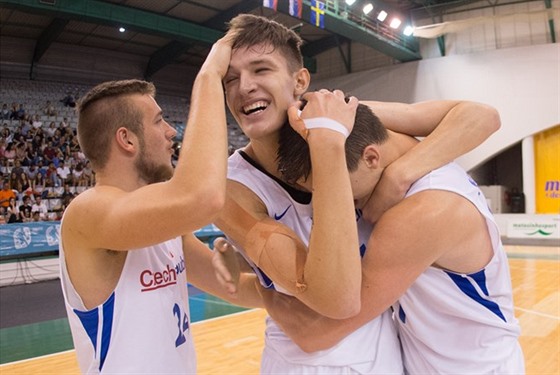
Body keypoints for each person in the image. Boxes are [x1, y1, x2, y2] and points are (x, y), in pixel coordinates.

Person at [212, 14, 501, 374]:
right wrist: (251, 275)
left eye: (261, 70)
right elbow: (324, 306)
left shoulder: (346, 119)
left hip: (396, 357)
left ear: (300, 80)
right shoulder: (232, 187)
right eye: (230, 80)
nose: (245, 87)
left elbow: (481, 115)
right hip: (308, 363)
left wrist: (398, 175)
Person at [264, 102, 525, 374]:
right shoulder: (424, 157)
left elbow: (316, 333)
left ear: (372, 158)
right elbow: (478, 114)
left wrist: (263, 283)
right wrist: (341, 109)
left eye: (336, 189)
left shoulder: (418, 216)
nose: (328, 203)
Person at [58, 30, 261, 374]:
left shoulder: (164, 228)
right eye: (158, 121)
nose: (171, 131)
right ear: (126, 139)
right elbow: (203, 197)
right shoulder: (88, 212)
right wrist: (210, 75)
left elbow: (236, 287)